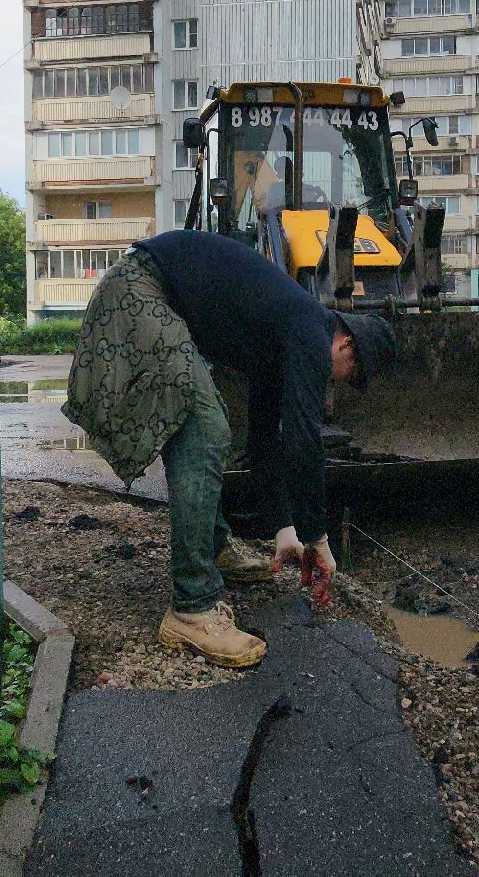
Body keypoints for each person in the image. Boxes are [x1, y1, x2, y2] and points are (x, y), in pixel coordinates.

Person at [62, 229, 398, 669]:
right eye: (352, 375)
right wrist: (318, 537)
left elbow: (263, 441)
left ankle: (214, 546)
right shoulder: (309, 325)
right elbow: (303, 438)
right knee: (205, 428)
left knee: (207, 416)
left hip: (151, 293)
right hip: (140, 288)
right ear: (346, 343)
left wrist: (285, 533)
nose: (341, 384)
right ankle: (193, 608)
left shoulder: (282, 336)